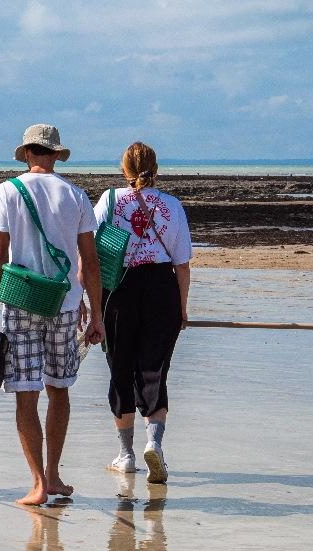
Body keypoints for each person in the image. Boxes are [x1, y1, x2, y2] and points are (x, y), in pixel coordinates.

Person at [0, 124, 104, 506]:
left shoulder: (7, 191)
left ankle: (36, 484)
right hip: (64, 305)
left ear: (28, 153)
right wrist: (96, 313)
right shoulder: (76, 195)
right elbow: (91, 262)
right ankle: (53, 476)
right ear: (54, 155)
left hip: (19, 303)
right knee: (59, 388)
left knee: (26, 394)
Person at [93, 142, 191, 483]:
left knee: (120, 369)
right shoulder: (173, 206)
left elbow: (91, 256)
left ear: (124, 171)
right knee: (154, 370)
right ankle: (155, 444)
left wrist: (89, 305)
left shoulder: (108, 200)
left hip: (118, 289)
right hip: (162, 288)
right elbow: (183, 264)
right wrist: (182, 307)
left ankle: (127, 454)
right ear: (156, 169)